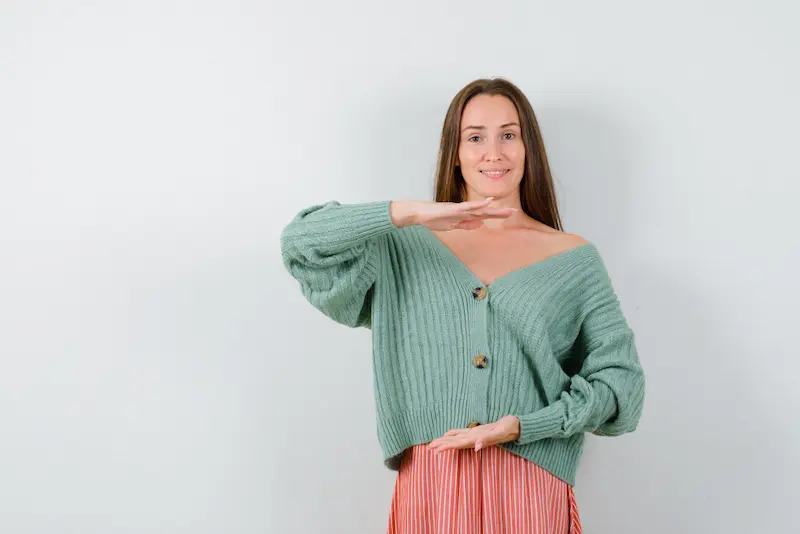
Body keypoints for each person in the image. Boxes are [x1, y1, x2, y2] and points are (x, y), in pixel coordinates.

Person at [280, 77, 645, 533]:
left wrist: (524, 425)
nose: (494, 152)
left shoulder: (573, 259)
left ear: (529, 148)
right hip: (433, 483)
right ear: (455, 152)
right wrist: (408, 213)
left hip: (530, 483)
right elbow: (301, 244)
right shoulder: (404, 248)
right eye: (475, 137)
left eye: (509, 135)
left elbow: (622, 389)